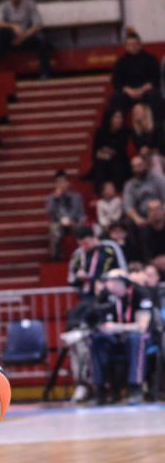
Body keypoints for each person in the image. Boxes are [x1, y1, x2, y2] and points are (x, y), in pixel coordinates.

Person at [89, 269, 154, 405]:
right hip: (116, 337)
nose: (110, 286)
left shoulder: (140, 293)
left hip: (139, 336)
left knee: (136, 338)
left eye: (114, 282)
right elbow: (95, 318)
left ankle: (135, 388)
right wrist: (101, 327)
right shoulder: (106, 295)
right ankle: (100, 389)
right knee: (96, 339)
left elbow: (142, 326)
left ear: (123, 283)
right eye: (108, 282)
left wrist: (116, 327)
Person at [0, 0, 51, 78]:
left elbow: (38, 24)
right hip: (10, 39)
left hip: (26, 37)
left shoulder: (30, 4)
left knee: (41, 38)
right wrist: (13, 26)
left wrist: (23, 37)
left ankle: (45, 72)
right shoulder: (3, 5)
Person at [68, 226, 125, 300]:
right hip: (87, 297)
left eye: (86, 243)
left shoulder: (110, 247)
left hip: (109, 295)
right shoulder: (78, 254)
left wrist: (103, 280)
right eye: (80, 244)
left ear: (94, 238)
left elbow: (123, 269)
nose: (83, 247)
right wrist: (78, 278)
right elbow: (71, 280)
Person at [110, 32, 160, 115]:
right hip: (128, 94)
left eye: (135, 44)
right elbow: (116, 81)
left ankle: (157, 127)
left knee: (154, 96)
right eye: (129, 44)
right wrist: (129, 91)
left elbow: (155, 79)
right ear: (125, 46)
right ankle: (118, 127)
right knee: (116, 98)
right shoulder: (121, 62)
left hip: (145, 92)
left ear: (140, 45)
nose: (132, 46)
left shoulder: (150, 59)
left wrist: (142, 90)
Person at [86, 108, 132, 193]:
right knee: (100, 163)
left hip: (121, 161)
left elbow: (122, 151)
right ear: (109, 118)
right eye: (116, 117)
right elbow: (95, 152)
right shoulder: (100, 132)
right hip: (104, 160)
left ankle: (118, 189)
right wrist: (102, 154)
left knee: (116, 164)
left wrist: (110, 153)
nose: (119, 120)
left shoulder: (125, 132)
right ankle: (100, 191)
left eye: (120, 117)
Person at [46, 170, 85, 260]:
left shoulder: (77, 196)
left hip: (73, 223)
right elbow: (49, 213)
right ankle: (56, 256)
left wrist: (74, 221)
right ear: (55, 184)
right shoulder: (52, 198)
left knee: (81, 228)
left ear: (68, 183)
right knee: (54, 228)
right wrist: (56, 198)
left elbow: (81, 214)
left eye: (63, 181)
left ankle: (83, 254)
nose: (61, 184)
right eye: (58, 182)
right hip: (59, 223)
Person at [123, 155, 165, 229]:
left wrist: (162, 214)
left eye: (140, 165)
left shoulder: (158, 178)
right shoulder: (129, 185)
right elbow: (128, 206)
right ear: (133, 169)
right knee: (129, 222)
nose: (139, 168)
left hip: (160, 212)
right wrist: (136, 218)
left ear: (146, 164)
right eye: (135, 166)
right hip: (142, 215)